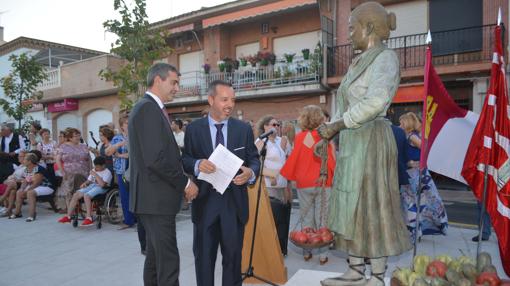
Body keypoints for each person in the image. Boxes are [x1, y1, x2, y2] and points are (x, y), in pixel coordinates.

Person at [316, 3, 411, 285]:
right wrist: (328, 133)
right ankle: (356, 270)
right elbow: (343, 104)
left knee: (373, 204)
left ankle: (378, 275)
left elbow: (376, 101)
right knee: (350, 203)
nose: (348, 34)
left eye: (351, 28)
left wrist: (338, 124)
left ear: (368, 27)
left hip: (372, 138)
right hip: (352, 140)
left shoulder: (386, 58)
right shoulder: (357, 61)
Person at [182, 80, 260, 286]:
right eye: (224, 99)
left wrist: (250, 173)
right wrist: (198, 164)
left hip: (234, 206)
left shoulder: (242, 129)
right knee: (204, 260)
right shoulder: (194, 129)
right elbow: (185, 160)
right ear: (211, 100)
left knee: (233, 261)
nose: (230, 104)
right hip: (204, 204)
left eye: (233, 100)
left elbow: (253, 158)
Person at [128, 63, 198, 286]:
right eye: (174, 82)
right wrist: (185, 183)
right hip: (155, 200)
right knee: (167, 262)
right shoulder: (148, 108)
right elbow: (156, 159)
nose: (177, 88)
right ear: (158, 80)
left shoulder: (148, 108)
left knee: (155, 259)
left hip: (151, 200)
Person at [280, 105, 336, 265]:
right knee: (323, 217)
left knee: (305, 216)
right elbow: (332, 159)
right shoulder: (326, 137)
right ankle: (323, 255)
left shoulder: (299, 137)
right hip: (323, 182)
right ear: (320, 118)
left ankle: (307, 251)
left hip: (304, 182)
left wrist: (289, 176)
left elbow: (294, 159)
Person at [399, 112, 448, 240]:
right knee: (415, 204)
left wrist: (416, 162)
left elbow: (427, 149)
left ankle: (415, 232)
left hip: (415, 175)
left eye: (402, 122)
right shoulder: (409, 136)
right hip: (413, 174)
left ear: (408, 123)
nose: (400, 125)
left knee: (412, 204)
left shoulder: (411, 137)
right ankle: (416, 231)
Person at [255, 115, 292, 256]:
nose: (276, 127)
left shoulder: (281, 141)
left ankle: (282, 250)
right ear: (265, 126)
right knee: (272, 221)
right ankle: (270, 251)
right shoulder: (260, 141)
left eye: (278, 124)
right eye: (273, 124)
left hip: (282, 185)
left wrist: (288, 184)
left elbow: (287, 162)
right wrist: (270, 174)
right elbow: (254, 164)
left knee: (283, 221)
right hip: (269, 186)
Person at [58, 156, 112, 227]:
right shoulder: (94, 170)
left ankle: (89, 218)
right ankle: (68, 216)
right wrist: (85, 183)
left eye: (98, 167)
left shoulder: (107, 172)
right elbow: (89, 180)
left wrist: (95, 174)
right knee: (76, 194)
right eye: (95, 166)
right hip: (92, 186)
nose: (96, 168)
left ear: (103, 165)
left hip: (101, 188)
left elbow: (102, 184)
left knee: (86, 195)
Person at [106, 115, 135, 230]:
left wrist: (120, 155)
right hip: (122, 171)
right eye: (127, 123)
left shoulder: (136, 136)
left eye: (130, 122)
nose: (129, 124)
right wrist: (120, 144)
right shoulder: (117, 138)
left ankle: (137, 218)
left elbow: (136, 154)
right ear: (122, 126)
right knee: (125, 196)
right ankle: (128, 220)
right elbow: (108, 152)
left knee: (135, 195)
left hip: (135, 171)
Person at [9, 152, 54, 222]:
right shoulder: (26, 169)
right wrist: (22, 189)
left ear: (30, 161)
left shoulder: (39, 169)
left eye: (25, 159)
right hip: (35, 186)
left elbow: (36, 183)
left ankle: (32, 215)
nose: (23, 161)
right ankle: (17, 213)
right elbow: (25, 181)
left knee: (30, 193)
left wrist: (26, 191)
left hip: (46, 186)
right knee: (19, 192)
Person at [55, 128, 91, 212]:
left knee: (82, 191)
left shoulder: (83, 146)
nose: (78, 137)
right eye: (76, 136)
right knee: (70, 192)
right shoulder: (63, 146)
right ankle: (70, 212)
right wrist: (62, 172)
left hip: (83, 172)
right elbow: (58, 160)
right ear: (70, 137)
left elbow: (88, 159)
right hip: (69, 173)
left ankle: (82, 209)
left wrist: (91, 171)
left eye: (79, 135)